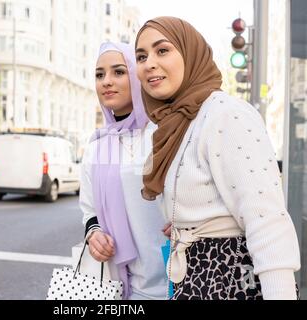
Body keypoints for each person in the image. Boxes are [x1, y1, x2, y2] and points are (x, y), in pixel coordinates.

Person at [134, 16, 301, 300]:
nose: (149, 62)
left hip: (228, 280)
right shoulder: (177, 124)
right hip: (196, 278)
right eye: (141, 56)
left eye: (162, 50)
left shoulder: (225, 113)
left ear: (190, 53)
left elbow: (266, 218)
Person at [79, 41, 168, 300]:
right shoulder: (97, 146)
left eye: (119, 72)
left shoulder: (164, 132)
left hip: (182, 283)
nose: (106, 81)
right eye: (99, 74)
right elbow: (89, 211)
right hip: (125, 288)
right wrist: (93, 234)